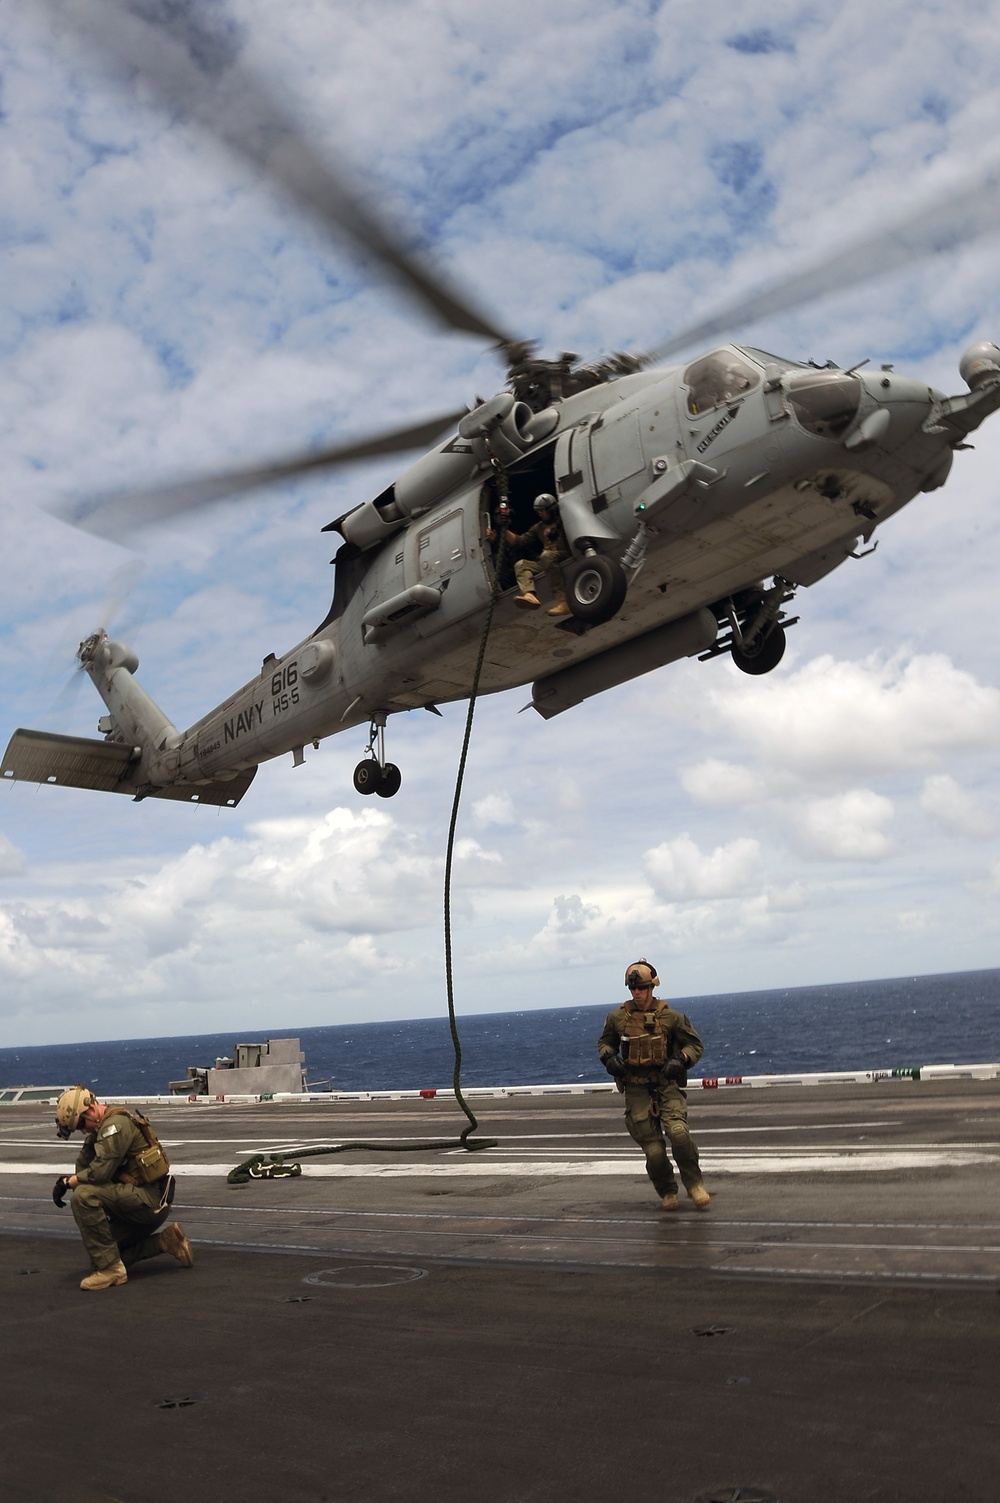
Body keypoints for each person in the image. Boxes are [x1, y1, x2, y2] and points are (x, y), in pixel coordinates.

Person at [53, 1084, 194, 1291]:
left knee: (83, 1196)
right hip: (138, 1204)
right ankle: (166, 1242)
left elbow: (99, 1173)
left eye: (82, 1123)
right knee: (102, 1255)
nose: (83, 1130)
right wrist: (69, 1180)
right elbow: (83, 1166)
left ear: (91, 1108)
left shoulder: (115, 1126)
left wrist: (68, 1182)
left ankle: (112, 1271)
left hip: (149, 1202)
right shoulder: (100, 1130)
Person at [597, 960, 711, 1211]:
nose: (637, 993)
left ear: (652, 987)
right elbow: (605, 1043)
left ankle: (694, 1185)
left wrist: (680, 1060)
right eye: (633, 989)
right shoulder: (617, 1018)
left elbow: (695, 1046)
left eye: (642, 988)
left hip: (666, 1085)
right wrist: (609, 1058)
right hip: (636, 1089)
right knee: (654, 1151)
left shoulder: (672, 1017)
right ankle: (667, 1191)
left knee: (679, 1135)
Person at [502, 493, 571, 616]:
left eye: (542, 510)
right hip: (547, 559)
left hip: (565, 554)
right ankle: (529, 595)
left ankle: (563, 602)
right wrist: (503, 528)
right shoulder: (539, 527)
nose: (539, 513)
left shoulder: (565, 518)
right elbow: (521, 541)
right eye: (538, 511)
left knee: (547, 555)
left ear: (551, 509)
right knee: (521, 565)